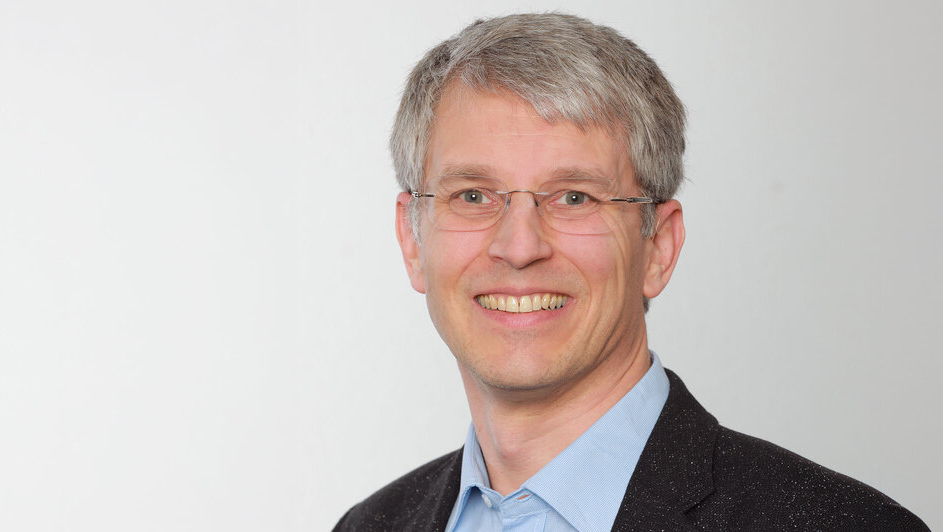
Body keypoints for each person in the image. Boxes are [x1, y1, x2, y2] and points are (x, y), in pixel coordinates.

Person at [333, 13, 928, 531]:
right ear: (412, 240)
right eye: (472, 195)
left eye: (574, 197)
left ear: (658, 248)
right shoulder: (369, 525)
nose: (519, 247)